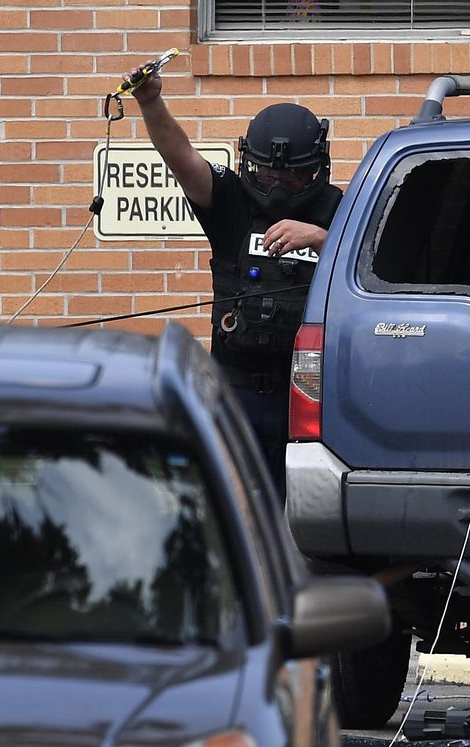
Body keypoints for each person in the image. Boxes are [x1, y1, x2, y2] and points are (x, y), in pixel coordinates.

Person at [126, 61, 343, 500]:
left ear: (314, 171)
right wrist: (150, 100)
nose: (278, 186)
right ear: (250, 165)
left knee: (300, 518)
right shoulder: (231, 204)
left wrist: (322, 239)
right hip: (236, 399)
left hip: (305, 401)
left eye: (292, 176)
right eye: (269, 175)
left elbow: (373, 269)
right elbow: (181, 158)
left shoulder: (340, 212)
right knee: (231, 515)